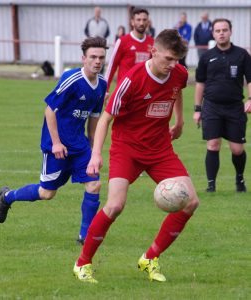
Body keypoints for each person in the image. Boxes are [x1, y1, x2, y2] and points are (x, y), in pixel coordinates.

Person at [73, 29, 200, 283]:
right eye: (168, 59)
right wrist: (95, 154)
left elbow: (178, 90)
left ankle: (150, 257)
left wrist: (180, 120)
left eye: (177, 60)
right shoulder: (132, 80)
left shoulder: (179, 73)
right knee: (115, 205)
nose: (173, 65)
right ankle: (82, 263)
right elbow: (106, 118)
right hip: (127, 150)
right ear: (154, 51)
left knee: (191, 202)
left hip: (160, 149)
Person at [0, 37, 109, 246]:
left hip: (80, 145)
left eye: (101, 57)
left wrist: (94, 150)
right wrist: (56, 143)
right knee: (47, 193)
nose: (97, 61)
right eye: (93, 57)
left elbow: (94, 118)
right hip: (56, 145)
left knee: (94, 184)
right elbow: (50, 110)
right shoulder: (71, 79)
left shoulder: (102, 84)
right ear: (83, 58)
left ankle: (85, 237)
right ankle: (8, 196)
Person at [193, 18, 251, 193]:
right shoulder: (206, 57)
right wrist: (197, 109)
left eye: (224, 30)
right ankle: (211, 185)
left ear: (230, 31)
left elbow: (250, 80)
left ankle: (239, 180)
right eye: (218, 31)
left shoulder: (242, 55)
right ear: (213, 33)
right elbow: (200, 84)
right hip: (211, 106)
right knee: (213, 144)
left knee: (237, 149)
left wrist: (250, 98)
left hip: (235, 107)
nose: (221, 33)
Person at [105, 7, 154, 92]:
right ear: (132, 22)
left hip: (142, 91)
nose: (141, 23)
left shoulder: (152, 42)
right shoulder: (122, 41)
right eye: (138, 20)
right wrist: (105, 89)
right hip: (124, 90)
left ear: (148, 22)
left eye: (144, 20)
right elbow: (112, 66)